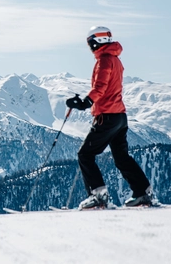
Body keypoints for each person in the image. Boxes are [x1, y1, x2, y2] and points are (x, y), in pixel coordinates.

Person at [66, 26, 156, 209]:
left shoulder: (105, 60)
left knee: (85, 154)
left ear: (95, 41)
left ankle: (98, 196)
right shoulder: (115, 59)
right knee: (122, 158)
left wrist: (85, 102)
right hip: (120, 116)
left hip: (107, 116)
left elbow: (101, 86)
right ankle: (142, 192)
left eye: (89, 43)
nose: (89, 47)